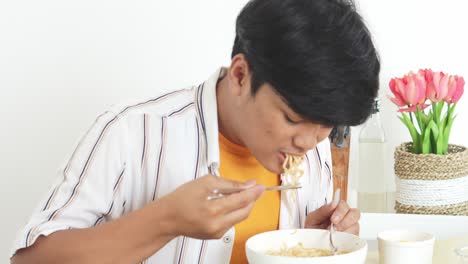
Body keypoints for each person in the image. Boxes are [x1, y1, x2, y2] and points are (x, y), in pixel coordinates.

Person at [10, 0, 380, 263]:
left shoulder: (313, 149)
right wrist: (166, 219)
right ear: (240, 75)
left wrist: (312, 239)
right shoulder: (134, 133)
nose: (307, 142)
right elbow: (30, 260)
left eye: (326, 127)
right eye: (292, 118)